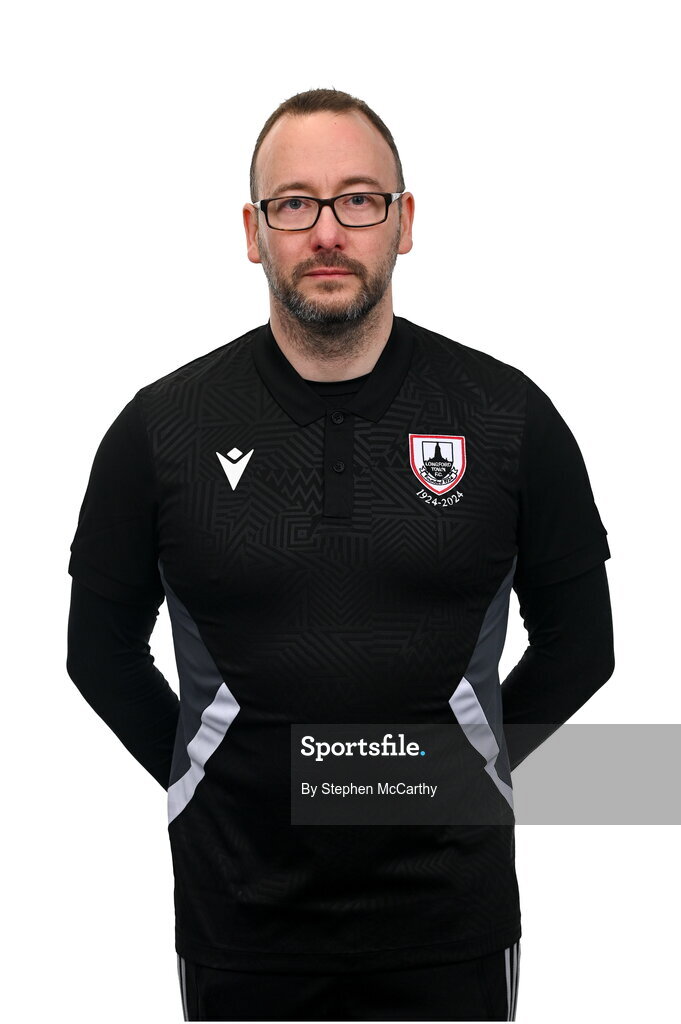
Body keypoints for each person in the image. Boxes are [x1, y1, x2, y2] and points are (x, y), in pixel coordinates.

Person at [66, 87, 615, 1022]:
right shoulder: (161, 430)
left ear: (404, 222)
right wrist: (210, 779)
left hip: (451, 924)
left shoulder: (505, 415)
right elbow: (98, 652)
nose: (327, 231)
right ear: (254, 232)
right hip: (240, 927)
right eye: (294, 204)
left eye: (359, 199)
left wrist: (454, 775)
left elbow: (582, 647)